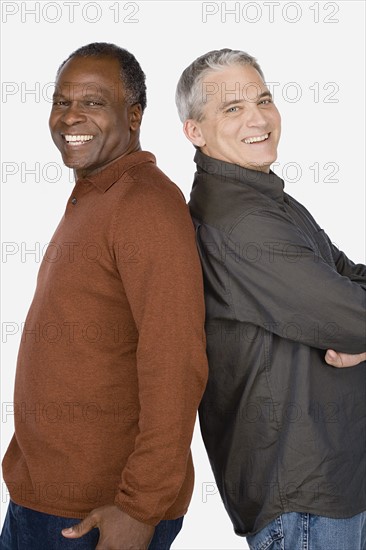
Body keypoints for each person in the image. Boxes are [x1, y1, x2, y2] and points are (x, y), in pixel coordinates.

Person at [1, 42, 208, 550]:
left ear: (133, 116)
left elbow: (176, 362)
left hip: (96, 516)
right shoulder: (97, 194)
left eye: (93, 102)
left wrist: (139, 509)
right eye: (61, 101)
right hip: (42, 501)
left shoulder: (146, 204)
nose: (70, 116)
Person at [175, 48, 366, 549]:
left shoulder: (264, 197)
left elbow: (351, 279)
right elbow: (354, 316)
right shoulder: (242, 223)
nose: (258, 118)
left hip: (329, 484)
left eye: (263, 99)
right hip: (304, 498)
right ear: (194, 131)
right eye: (232, 108)